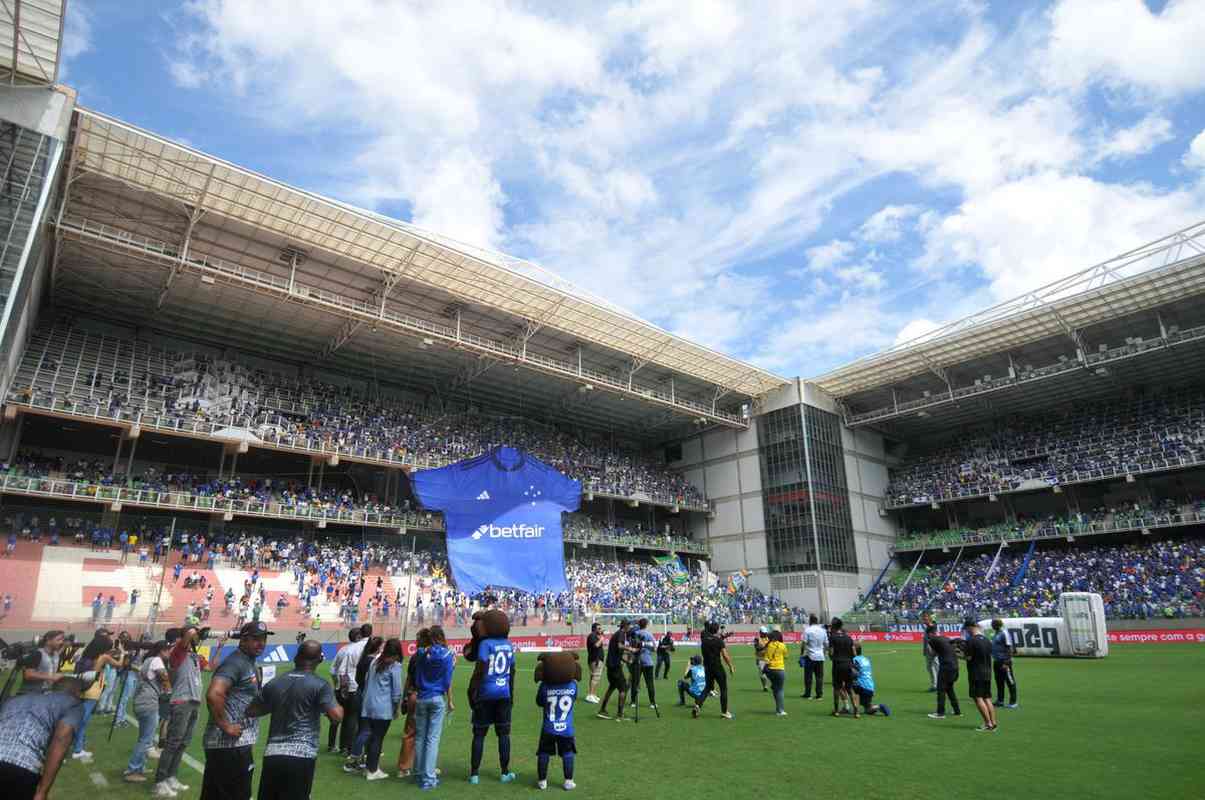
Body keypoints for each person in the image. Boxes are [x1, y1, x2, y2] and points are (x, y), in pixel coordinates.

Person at [255, 640, 343, 799]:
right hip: (301, 756)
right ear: (319, 660)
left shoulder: (275, 682)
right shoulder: (321, 685)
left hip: (273, 755)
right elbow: (336, 716)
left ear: (296, 658)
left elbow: (252, 710)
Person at [201, 621, 270, 800]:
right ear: (243, 640)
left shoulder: (247, 662)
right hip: (228, 746)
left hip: (236, 745)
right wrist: (226, 726)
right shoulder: (236, 662)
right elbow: (214, 694)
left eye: (263, 639)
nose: (261, 643)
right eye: (255, 639)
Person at [0, 676, 89, 800]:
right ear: (76, 692)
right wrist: (42, 791)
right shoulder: (73, 705)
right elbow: (60, 740)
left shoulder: (16, 699)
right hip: (22, 767)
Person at [155, 626, 205, 798]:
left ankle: (171, 777)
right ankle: (160, 781)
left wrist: (220, 647)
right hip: (182, 701)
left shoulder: (193, 655)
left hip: (195, 702)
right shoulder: (177, 652)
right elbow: (185, 641)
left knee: (184, 743)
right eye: (191, 636)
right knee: (173, 743)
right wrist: (192, 632)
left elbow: (212, 666)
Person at [469, 622, 516, 783]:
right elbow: (513, 671)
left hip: (486, 694)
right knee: (504, 734)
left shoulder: (485, 644)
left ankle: (474, 774)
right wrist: (512, 695)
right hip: (504, 695)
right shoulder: (509, 644)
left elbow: (480, 669)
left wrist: (472, 693)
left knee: (479, 734)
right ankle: (504, 772)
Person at [70, 632, 123, 763]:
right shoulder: (103, 657)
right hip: (92, 689)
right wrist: (122, 653)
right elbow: (119, 664)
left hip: (80, 687)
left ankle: (78, 745)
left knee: (80, 717)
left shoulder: (85, 655)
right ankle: (77, 749)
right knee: (84, 720)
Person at [413, 626, 455, 791]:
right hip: (436, 697)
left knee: (420, 737)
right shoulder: (447, 655)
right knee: (432, 739)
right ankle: (429, 778)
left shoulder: (421, 653)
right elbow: (447, 681)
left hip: (422, 697)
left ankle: (418, 772)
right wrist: (449, 700)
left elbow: (416, 676)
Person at [124, 641, 172, 784]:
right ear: (162, 651)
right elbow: (163, 675)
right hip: (148, 702)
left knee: (145, 737)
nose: (169, 654)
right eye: (168, 651)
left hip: (141, 701)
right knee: (146, 739)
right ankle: (133, 770)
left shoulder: (147, 661)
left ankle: (139, 767)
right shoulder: (157, 660)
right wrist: (169, 690)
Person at [358, 638, 403, 781]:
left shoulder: (374, 661)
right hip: (382, 707)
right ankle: (372, 770)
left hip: (368, 704)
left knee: (372, 737)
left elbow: (366, 681)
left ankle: (369, 767)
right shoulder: (394, 666)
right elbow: (396, 692)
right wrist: (396, 709)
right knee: (377, 738)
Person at [535, 660, 578, 791]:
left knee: (543, 752)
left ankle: (542, 781)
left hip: (548, 727)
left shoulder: (545, 685)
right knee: (568, 753)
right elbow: (574, 698)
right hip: (567, 728)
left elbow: (539, 702)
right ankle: (568, 781)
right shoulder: (573, 685)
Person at [396, 628, 430, 778]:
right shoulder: (434, 656)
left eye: (418, 639)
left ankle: (404, 768)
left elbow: (409, 679)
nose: (416, 642)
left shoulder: (416, 657)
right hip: (427, 695)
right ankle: (424, 766)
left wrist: (404, 697)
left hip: (414, 695)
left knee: (410, 732)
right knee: (427, 734)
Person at [336, 623, 372, 758]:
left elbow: (339, 671)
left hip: (350, 687)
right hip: (363, 688)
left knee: (349, 718)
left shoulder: (349, 649)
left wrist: (340, 688)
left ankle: (345, 747)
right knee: (361, 721)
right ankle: (356, 750)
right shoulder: (369, 648)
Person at [328, 628, 360, 753]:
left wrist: (337, 685)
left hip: (339, 688)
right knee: (350, 717)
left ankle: (332, 745)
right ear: (358, 637)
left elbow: (332, 670)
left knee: (336, 717)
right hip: (351, 687)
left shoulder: (342, 649)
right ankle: (346, 747)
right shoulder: (357, 650)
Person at [596, 619, 634, 721]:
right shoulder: (621, 634)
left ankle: (602, 710)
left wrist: (626, 662)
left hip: (611, 665)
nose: (630, 628)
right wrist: (630, 649)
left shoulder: (618, 634)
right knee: (623, 689)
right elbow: (619, 646)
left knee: (612, 687)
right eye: (629, 626)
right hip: (615, 667)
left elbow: (616, 652)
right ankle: (620, 714)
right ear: (625, 626)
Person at [963, 620, 997, 732]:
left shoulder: (971, 641)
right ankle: (993, 722)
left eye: (966, 628)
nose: (966, 631)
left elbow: (968, 658)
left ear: (969, 627)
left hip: (976, 672)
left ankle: (988, 724)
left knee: (978, 698)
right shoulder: (987, 640)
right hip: (987, 671)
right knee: (987, 698)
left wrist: (959, 655)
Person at [696, 622, 735, 719]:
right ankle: (724, 712)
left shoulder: (704, 641)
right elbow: (725, 656)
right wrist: (730, 666)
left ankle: (698, 705)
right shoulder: (718, 641)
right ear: (717, 630)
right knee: (723, 689)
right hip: (717, 667)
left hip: (707, 667)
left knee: (708, 688)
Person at [926, 625, 962, 720]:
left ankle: (940, 713)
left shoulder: (932, 640)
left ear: (930, 634)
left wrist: (928, 647)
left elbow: (932, 654)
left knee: (941, 689)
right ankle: (957, 711)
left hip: (946, 667)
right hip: (955, 666)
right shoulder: (946, 637)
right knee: (949, 689)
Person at [19, 630, 66, 694]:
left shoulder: (56, 655)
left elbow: (53, 671)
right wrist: (51, 677)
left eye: (62, 640)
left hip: (46, 694)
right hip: (31, 695)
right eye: (58, 640)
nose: (61, 642)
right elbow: (28, 674)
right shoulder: (37, 654)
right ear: (48, 641)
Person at [827, 618, 857, 718]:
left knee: (836, 688)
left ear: (834, 627)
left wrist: (832, 657)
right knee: (850, 689)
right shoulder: (849, 638)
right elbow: (854, 653)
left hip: (838, 665)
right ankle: (856, 712)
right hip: (848, 665)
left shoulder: (833, 637)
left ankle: (836, 711)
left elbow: (831, 652)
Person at [851, 646, 890, 717]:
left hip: (862, 685)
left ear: (854, 651)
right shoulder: (866, 659)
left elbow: (854, 674)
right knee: (868, 710)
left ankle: (854, 710)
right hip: (870, 686)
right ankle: (879, 707)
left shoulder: (854, 660)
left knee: (850, 687)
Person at [990, 619, 1018, 709]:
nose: (992, 626)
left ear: (998, 625)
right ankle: (1000, 701)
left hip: (1004, 662)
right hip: (996, 661)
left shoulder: (1004, 633)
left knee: (1010, 681)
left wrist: (1007, 662)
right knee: (999, 682)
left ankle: (1013, 702)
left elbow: (1009, 648)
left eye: (993, 624)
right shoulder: (995, 634)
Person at [632, 618, 657, 710]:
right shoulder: (649, 634)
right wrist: (646, 645)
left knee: (635, 682)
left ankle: (633, 702)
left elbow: (631, 646)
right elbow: (654, 648)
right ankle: (652, 703)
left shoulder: (635, 634)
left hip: (637, 661)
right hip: (647, 662)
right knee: (649, 683)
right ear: (646, 625)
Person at [801, 614, 827, 700]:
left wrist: (801, 654)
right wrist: (824, 653)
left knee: (808, 676)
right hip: (820, 656)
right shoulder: (823, 631)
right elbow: (826, 644)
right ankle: (819, 694)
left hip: (810, 655)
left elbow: (804, 643)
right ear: (817, 621)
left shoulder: (807, 630)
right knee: (819, 676)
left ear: (810, 621)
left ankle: (808, 693)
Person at [763, 629, 788, 716]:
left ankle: (778, 708)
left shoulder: (768, 645)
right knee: (780, 690)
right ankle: (780, 710)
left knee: (776, 689)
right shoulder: (782, 645)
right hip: (779, 669)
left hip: (770, 670)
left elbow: (765, 658)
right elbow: (786, 656)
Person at [584, 623, 604, 703]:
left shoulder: (595, 636)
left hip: (597, 659)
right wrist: (601, 639)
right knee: (595, 677)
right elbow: (596, 645)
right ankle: (591, 695)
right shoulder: (592, 636)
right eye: (599, 628)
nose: (600, 630)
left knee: (594, 677)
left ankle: (593, 694)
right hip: (595, 659)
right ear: (594, 629)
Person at [921, 611, 939, 692]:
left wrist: (932, 650)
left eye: (925, 617)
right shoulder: (931, 626)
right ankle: (936, 684)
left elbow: (931, 638)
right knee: (931, 667)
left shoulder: (932, 626)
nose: (923, 619)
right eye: (923, 617)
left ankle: (937, 684)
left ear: (929, 618)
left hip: (933, 650)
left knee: (935, 666)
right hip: (929, 649)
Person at [754, 626, 770, 692]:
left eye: (765, 632)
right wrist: (765, 647)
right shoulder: (757, 639)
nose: (765, 634)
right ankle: (765, 686)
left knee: (771, 673)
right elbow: (757, 648)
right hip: (760, 658)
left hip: (768, 658)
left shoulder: (768, 638)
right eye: (763, 632)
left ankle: (772, 685)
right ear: (760, 632)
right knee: (762, 675)